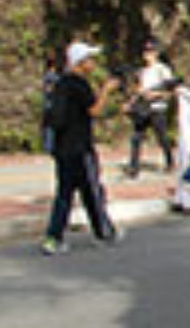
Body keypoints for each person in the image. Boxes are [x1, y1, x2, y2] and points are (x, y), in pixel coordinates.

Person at [41, 42, 123, 255]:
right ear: (80, 62)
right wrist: (106, 90)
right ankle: (104, 231)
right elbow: (94, 110)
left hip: (62, 148)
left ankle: (53, 237)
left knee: (64, 194)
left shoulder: (60, 84)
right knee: (92, 190)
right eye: (90, 59)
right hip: (80, 147)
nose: (93, 63)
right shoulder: (79, 85)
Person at [126, 40, 175, 178]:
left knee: (162, 137)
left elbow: (170, 90)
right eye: (146, 52)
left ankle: (170, 161)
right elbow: (138, 90)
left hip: (157, 107)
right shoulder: (142, 71)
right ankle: (133, 167)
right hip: (143, 108)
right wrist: (131, 103)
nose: (147, 55)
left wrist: (155, 95)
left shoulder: (162, 69)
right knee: (136, 137)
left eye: (150, 52)